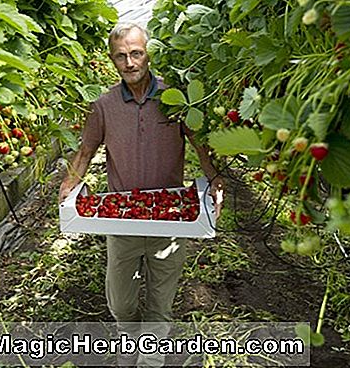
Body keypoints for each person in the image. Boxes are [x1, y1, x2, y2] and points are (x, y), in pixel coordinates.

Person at [58, 22, 224, 367]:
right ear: (112, 60)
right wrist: (69, 184)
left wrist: (216, 181)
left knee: (161, 302)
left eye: (136, 53)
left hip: (172, 216)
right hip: (123, 216)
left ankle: (149, 358)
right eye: (121, 56)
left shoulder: (173, 99)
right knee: (121, 302)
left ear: (148, 54)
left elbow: (200, 145)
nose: (130, 62)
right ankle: (130, 338)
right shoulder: (103, 106)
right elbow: (86, 150)